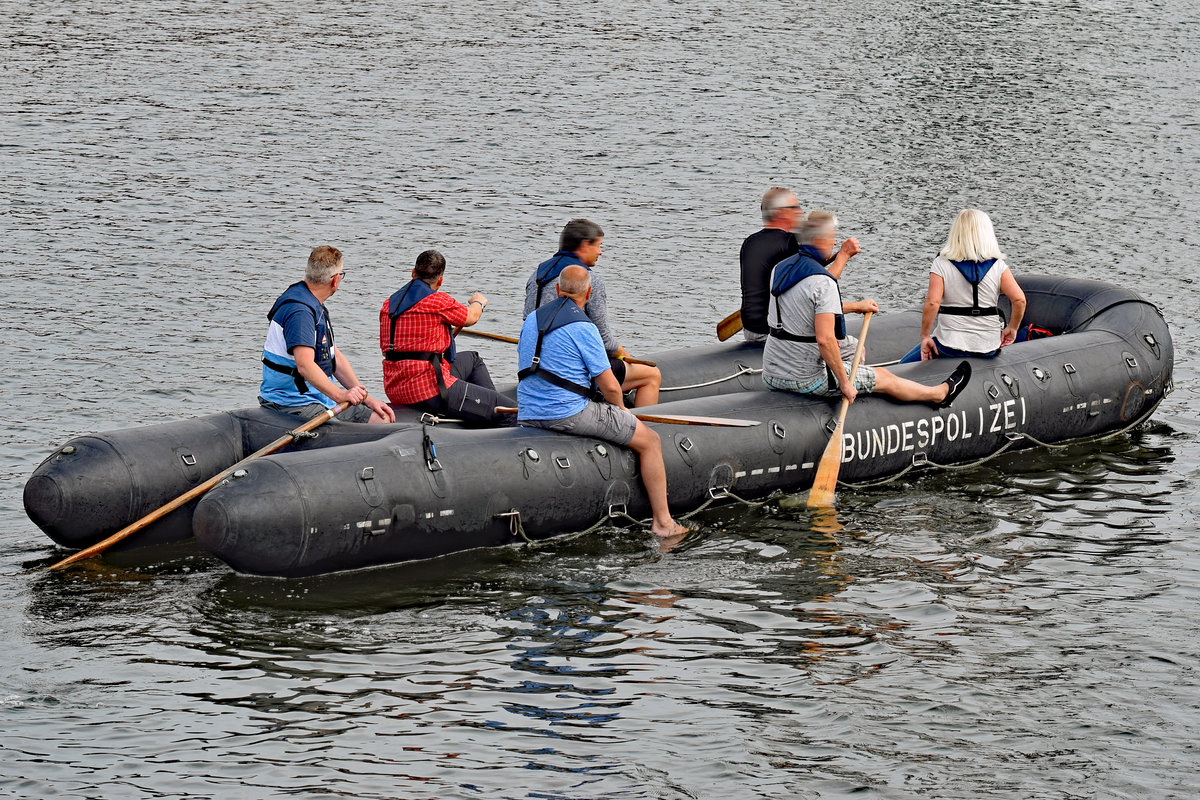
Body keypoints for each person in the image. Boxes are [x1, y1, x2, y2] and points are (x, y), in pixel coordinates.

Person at [517, 265, 692, 538]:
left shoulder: (532, 321)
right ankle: (664, 523)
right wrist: (622, 412)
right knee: (651, 442)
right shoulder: (584, 327)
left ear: (557, 290)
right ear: (588, 292)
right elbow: (610, 386)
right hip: (566, 414)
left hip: (528, 410)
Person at [762, 211, 971, 408]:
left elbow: (807, 308)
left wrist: (856, 307)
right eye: (832, 237)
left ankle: (857, 379)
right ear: (819, 240)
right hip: (804, 377)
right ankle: (939, 394)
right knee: (885, 377)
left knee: (854, 347)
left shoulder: (780, 269)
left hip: (772, 371)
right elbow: (825, 340)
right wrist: (844, 383)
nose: (835, 242)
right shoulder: (823, 283)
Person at [525, 218, 661, 407]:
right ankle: (644, 427)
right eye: (598, 245)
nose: (600, 251)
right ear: (583, 246)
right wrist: (625, 355)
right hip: (572, 371)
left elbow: (528, 320)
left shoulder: (538, 275)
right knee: (651, 375)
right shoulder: (589, 280)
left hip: (535, 366)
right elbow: (604, 340)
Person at [259, 245, 395, 423]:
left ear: (307, 272)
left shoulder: (314, 305)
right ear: (336, 280)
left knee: (380, 419)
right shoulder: (300, 313)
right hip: (292, 403)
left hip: (318, 397)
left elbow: (332, 355)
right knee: (348, 435)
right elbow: (304, 365)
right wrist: (340, 395)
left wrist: (366, 398)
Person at [380, 249, 515, 425]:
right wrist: (478, 302)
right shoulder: (438, 302)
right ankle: (491, 416)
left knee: (472, 358)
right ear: (440, 280)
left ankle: (486, 406)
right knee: (511, 412)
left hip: (396, 388)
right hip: (428, 390)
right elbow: (471, 317)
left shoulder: (389, 304)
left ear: (413, 273)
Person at [899, 209, 1027, 363]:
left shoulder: (941, 263)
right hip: (989, 346)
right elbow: (1020, 300)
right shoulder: (998, 266)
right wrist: (1012, 328)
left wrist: (925, 336)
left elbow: (933, 302)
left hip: (949, 345)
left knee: (902, 367)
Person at [739, 187, 861, 342]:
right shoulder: (790, 243)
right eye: (795, 208)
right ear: (780, 212)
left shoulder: (750, 242)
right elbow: (823, 283)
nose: (799, 212)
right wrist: (843, 255)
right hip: (776, 332)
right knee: (853, 346)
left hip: (750, 328)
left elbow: (808, 267)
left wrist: (835, 254)